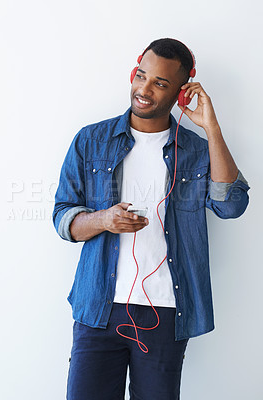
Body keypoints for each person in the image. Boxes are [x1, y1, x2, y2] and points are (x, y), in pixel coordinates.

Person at [52, 38, 250, 400]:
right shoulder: (91, 141)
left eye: (160, 83)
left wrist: (211, 128)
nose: (144, 89)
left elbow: (231, 206)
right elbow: (63, 218)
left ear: (181, 92)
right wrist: (104, 220)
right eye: (141, 76)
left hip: (165, 312)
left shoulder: (196, 150)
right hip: (99, 308)